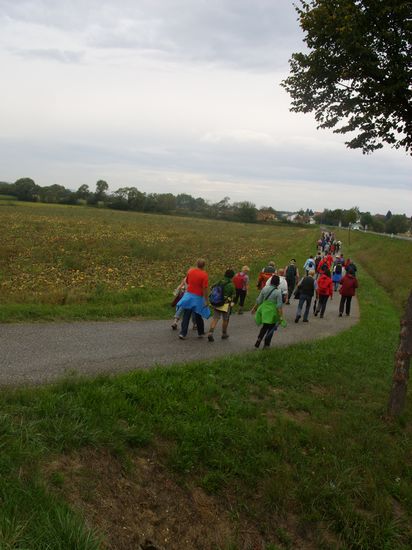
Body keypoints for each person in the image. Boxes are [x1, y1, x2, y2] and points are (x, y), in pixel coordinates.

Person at [177, 259, 210, 340]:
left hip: (189, 295)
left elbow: (188, 281)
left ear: (196, 264)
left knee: (186, 315)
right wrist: (206, 300)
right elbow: (205, 288)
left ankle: (183, 333)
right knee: (198, 314)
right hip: (198, 297)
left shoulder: (190, 271)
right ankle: (200, 333)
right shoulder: (204, 275)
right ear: (204, 265)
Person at [252, 275, 284, 349]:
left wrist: (254, 308)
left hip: (265, 310)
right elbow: (279, 306)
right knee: (271, 328)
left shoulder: (264, 288)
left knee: (265, 326)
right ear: (278, 283)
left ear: (271, 281)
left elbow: (259, 300)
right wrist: (281, 316)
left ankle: (259, 339)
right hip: (273, 312)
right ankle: (266, 344)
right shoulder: (278, 292)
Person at [207, 269, 235, 342]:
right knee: (225, 319)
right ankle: (224, 333)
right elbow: (233, 295)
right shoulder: (231, 285)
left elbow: (211, 287)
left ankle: (210, 333)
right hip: (225, 305)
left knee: (215, 318)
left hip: (217, 302)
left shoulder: (220, 281)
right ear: (232, 276)